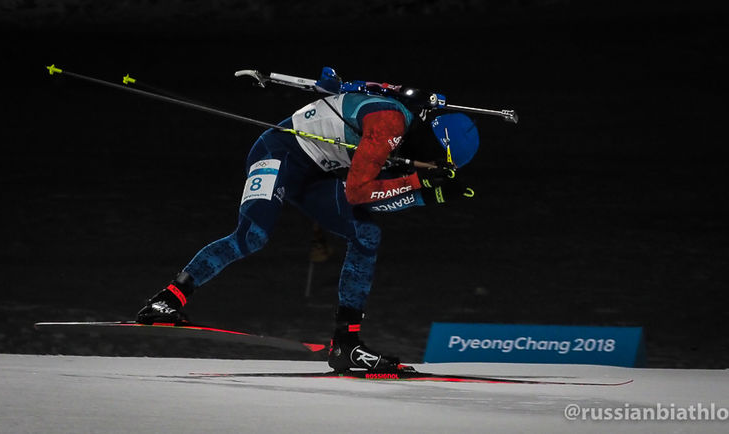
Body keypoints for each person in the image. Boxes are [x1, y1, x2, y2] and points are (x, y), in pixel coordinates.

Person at [136, 88, 479, 372]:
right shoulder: (389, 125)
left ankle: (346, 344)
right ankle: (166, 300)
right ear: (436, 144)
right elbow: (358, 192)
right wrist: (418, 183)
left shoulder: (406, 133)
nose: (436, 168)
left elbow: (371, 201)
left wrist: (427, 195)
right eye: (440, 163)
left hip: (316, 173)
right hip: (279, 152)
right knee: (253, 235)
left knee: (366, 235)